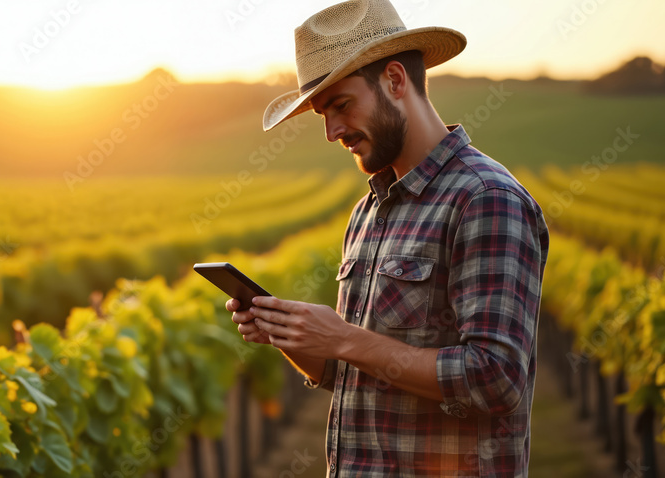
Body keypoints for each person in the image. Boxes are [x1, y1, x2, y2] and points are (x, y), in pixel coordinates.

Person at [226, 0, 550, 476]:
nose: (332, 131)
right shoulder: (367, 213)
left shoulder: (485, 198)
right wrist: (292, 338)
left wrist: (343, 338)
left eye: (340, 105)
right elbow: (355, 372)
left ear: (395, 81)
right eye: (321, 113)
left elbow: (495, 378)